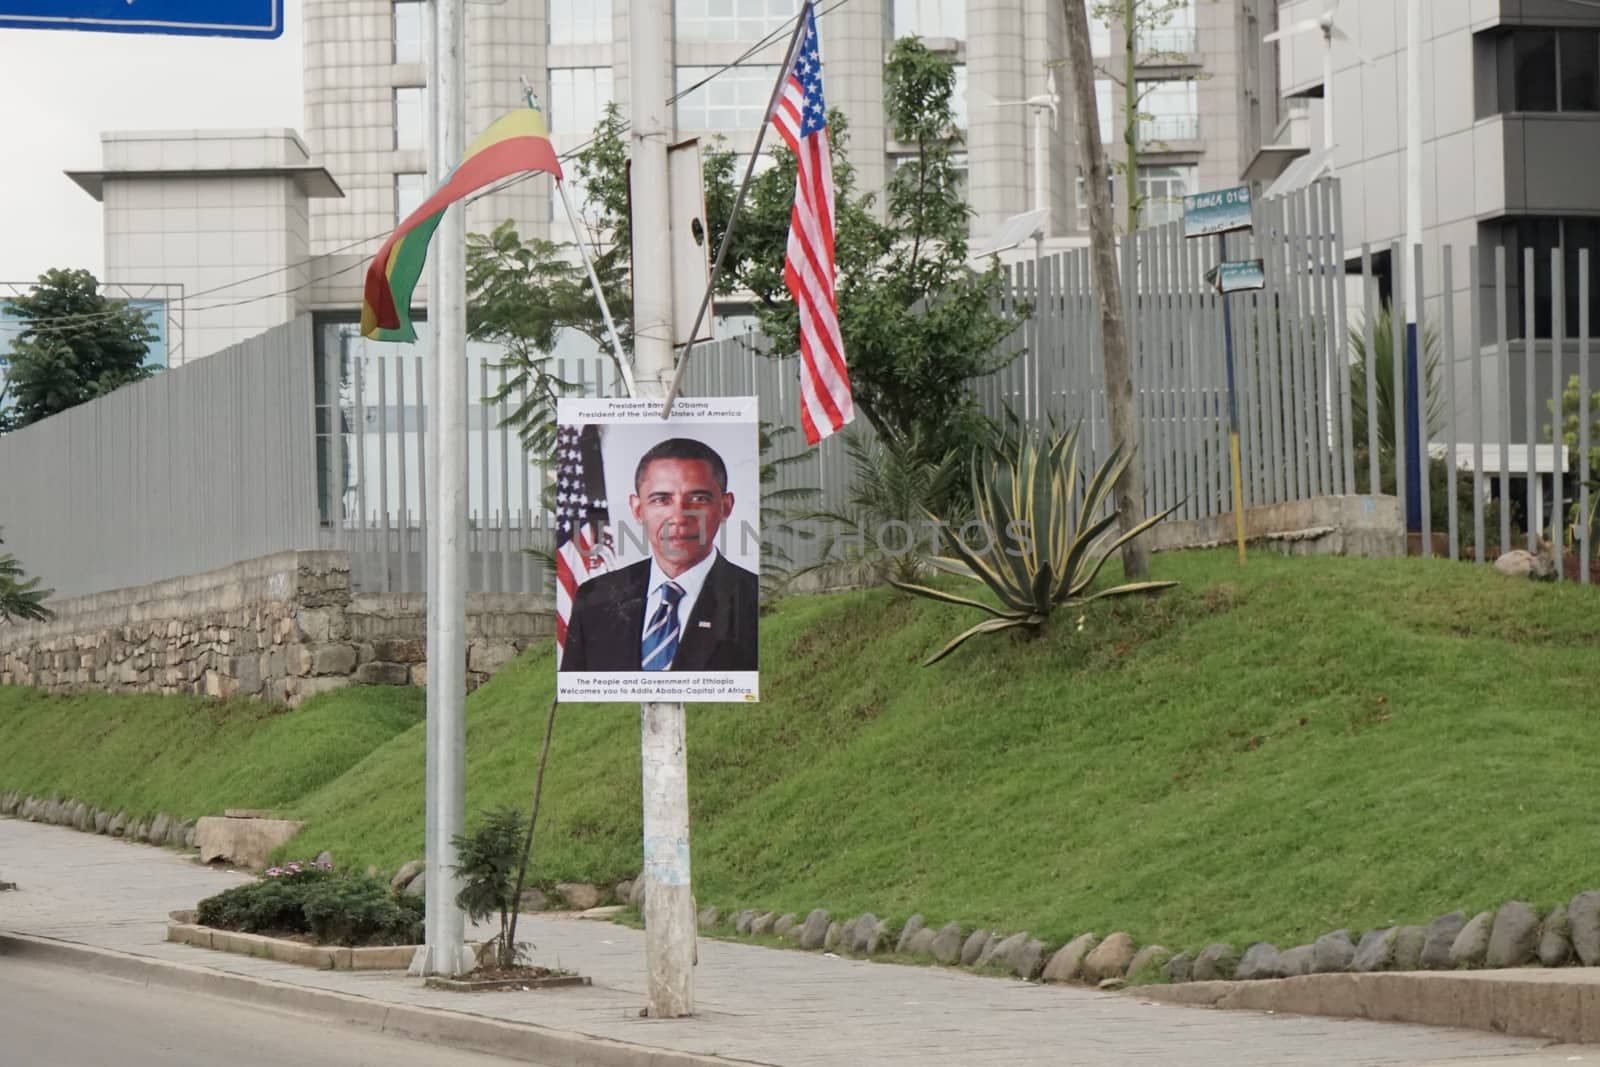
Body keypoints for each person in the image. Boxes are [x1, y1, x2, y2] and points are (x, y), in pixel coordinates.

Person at [560, 436, 759, 672]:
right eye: (661, 499)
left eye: (698, 498)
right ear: (637, 509)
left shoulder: (755, 599)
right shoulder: (593, 598)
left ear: (725, 507)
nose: (679, 517)